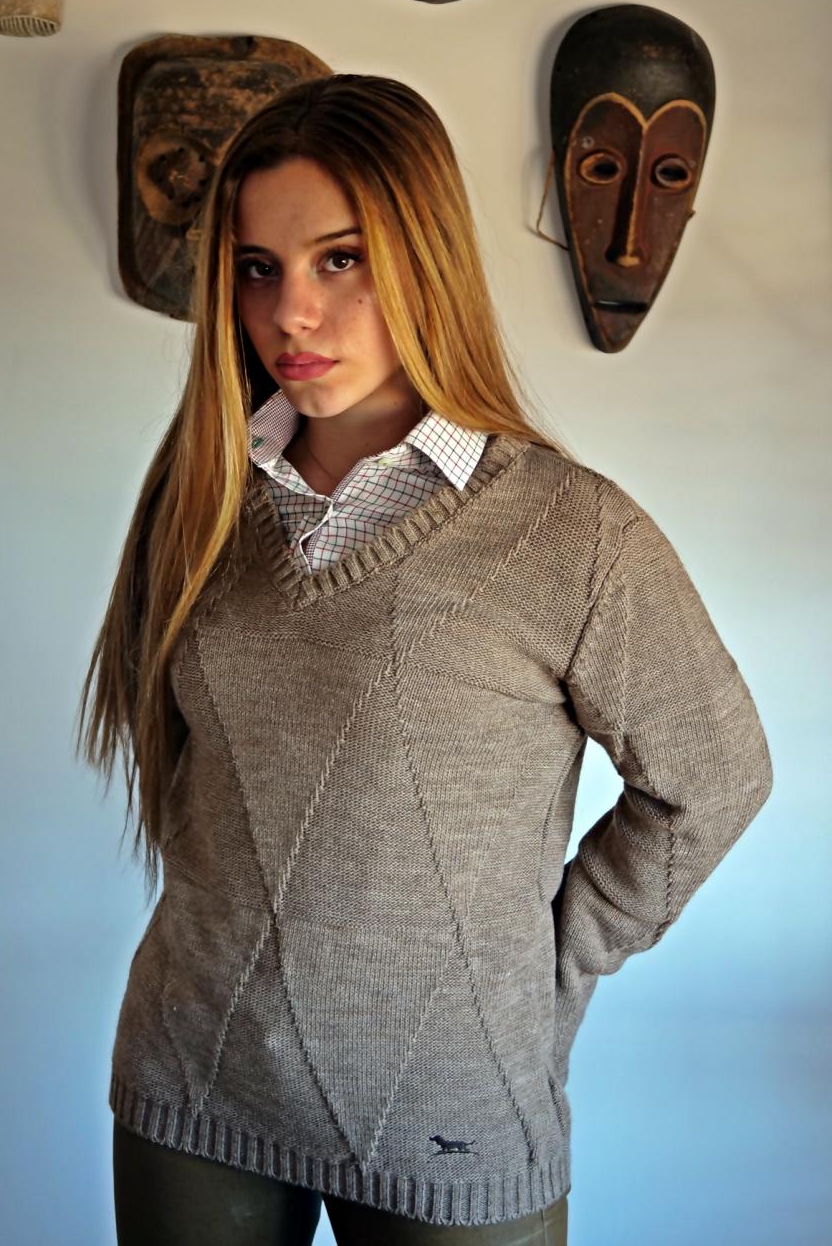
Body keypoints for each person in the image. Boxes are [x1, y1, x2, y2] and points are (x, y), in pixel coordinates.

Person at [76, 74, 773, 1245]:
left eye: (339, 259)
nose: (292, 313)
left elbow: (714, 777)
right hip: (191, 1078)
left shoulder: (569, 532)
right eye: (257, 268)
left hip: (448, 1104)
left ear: (427, 255)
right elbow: (188, 776)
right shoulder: (201, 499)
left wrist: (546, 964)